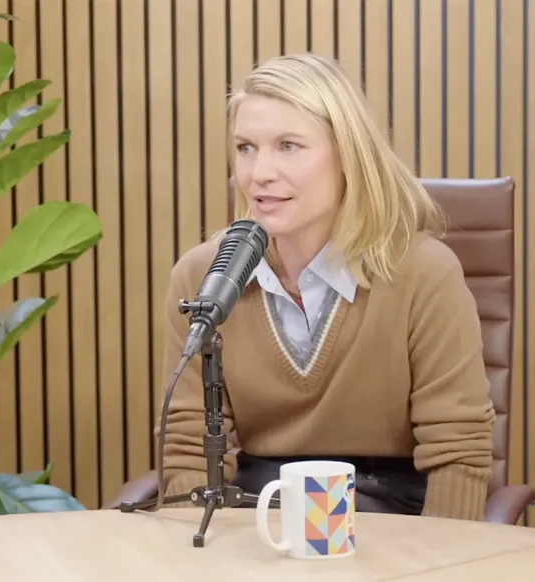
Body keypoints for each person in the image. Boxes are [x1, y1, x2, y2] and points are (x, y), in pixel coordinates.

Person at [157, 52, 495, 520]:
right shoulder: (203, 277)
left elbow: (458, 452)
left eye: (289, 146)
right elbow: (189, 446)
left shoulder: (424, 272)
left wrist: (441, 562)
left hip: (391, 516)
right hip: (258, 514)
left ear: (347, 155)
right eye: (246, 148)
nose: (259, 173)